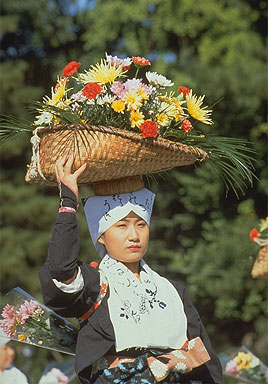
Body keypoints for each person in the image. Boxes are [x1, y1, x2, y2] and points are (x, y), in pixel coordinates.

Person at [39, 154, 223, 384]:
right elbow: (60, 268)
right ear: (102, 237)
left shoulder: (173, 291)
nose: (134, 236)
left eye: (141, 225)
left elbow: (205, 359)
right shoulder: (94, 284)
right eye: (122, 226)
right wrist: (68, 201)